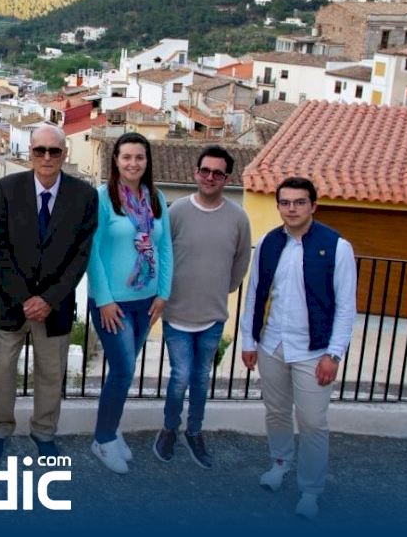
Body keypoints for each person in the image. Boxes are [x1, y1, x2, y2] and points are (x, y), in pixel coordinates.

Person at [240, 177, 357, 519]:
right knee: (276, 412)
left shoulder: (337, 247)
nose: (291, 208)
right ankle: (279, 464)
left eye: (299, 202)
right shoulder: (268, 243)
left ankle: (310, 490)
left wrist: (333, 354)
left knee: (312, 422)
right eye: (285, 202)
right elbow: (255, 293)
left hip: (314, 351)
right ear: (278, 206)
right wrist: (249, 340)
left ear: (313, 205)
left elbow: (346, 307)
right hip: (272, 344)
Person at [0, 124, 97, 461]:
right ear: (30, 152)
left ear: (64, 154)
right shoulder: (7, 189)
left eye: (54, 150)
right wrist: (26, 298)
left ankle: (44, 431)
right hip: (10, 301)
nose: (47, 157)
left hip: (55, 305)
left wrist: (48, 299)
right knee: (3, 371)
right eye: (39, 150)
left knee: (51, 372)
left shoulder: (84, 195)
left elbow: (81, 255)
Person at [152, 145, 251, 468]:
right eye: (205, 171)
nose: (210, 177)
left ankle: (194, 431)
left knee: (201, 377)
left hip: (213, 316)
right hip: (177, 314)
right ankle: (170, 428)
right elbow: (162, 255)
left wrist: (222, 289)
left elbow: (241, 262)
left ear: (227, 178)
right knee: (180, 376)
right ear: (196, 173)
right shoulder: (177, 211)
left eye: (217, 173)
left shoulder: (238, 218)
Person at [86, 131, 172, 474]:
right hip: (113, 304)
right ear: (116, 161)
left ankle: (110, 426)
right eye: (126, 157)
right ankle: (103, 438)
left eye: (139, 157)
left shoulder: (156, 198)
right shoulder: (103, 198)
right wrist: (104, 300)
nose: (133, 163)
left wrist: (164, 293)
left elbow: (164, 248)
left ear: (147, 161)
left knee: (122, 370)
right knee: (123, 370)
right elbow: (92, 252)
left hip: (146, 301)